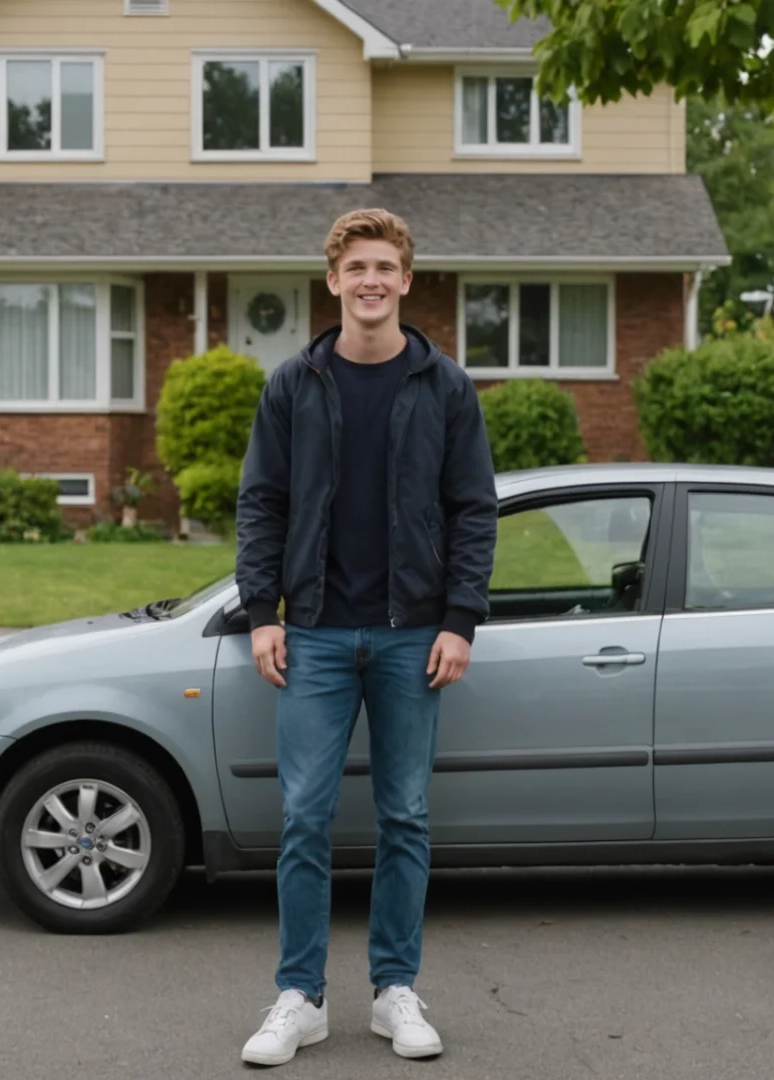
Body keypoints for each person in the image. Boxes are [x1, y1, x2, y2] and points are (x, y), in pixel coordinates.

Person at [234, 208, 497, 1066]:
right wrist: (263, 612)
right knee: (304, 818)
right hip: (310, 634)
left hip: (410, 636)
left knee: (405, 817)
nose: (372, 281)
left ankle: (395, 992)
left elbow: (473, 512)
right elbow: (261, 504)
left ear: (407, 280)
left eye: (386, 267)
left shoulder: (445, 386)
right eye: (358, 268)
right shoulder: (293, 384)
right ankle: (299, 998)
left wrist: (460, 619)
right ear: (334, 281)